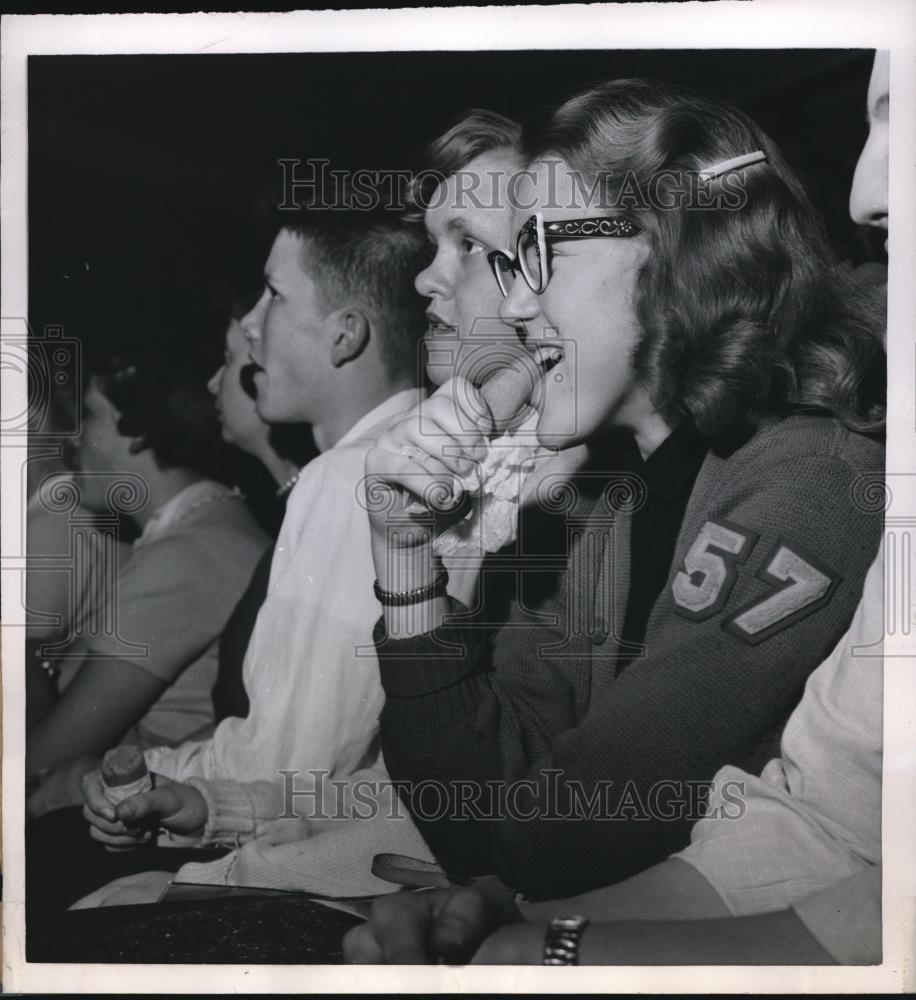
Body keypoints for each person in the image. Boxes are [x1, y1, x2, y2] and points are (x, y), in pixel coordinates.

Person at [343, 50, 890, 965]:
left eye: (538, 254)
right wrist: (403, 557)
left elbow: (550, 839)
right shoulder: (599, 496)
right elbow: (475, 813)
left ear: (675, 243)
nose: (510, 307)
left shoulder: (812, 479)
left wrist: (517, 905)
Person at [72, 193, 436, 910]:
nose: (247, 325)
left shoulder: (348, 480)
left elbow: (296, 757)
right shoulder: (401, 456)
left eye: (273, 295)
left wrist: (158, 788)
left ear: (345, 337)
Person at [26, 327, 270, 785]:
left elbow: (43, 757)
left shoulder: (189, 556)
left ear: (139, 430)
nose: (72, 439)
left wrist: (27, 658)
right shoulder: (213, 524)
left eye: (89, 415)